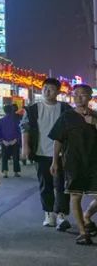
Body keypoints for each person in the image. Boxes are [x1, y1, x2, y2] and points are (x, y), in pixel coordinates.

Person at [50, 84, 97, 246]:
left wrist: (94, 123)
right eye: (76, 94)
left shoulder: (96, 116)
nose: (79, 98)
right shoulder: (66, 117)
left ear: (90, 97)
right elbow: (57, 139)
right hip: (73, 163)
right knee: (75, 196)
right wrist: (55, 161)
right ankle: (83, 232)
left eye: (83, 95)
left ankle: (87, 216)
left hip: (93, 163)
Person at [22, 78, 71, 229]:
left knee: (62, 185)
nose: (47, 91)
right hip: (41, 152)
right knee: (45, 185)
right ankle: (49, 213)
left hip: (62, 154)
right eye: (44, 88)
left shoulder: (65, 108)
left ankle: (61, 215)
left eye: (51, 89)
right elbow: (25, 128)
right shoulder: (33, 109)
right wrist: (25, 147)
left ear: (57, 92)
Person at [0, 98, 23, 178]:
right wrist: (15, 140)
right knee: (15, 157)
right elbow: (19, 131)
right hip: (14, 142)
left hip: (5, 142)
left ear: (4, 111)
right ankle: (16, 172)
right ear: (11, 110)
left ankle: (5, 172)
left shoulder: (1, 121)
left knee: (4, 157)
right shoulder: (17, 120)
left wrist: (2, 141)